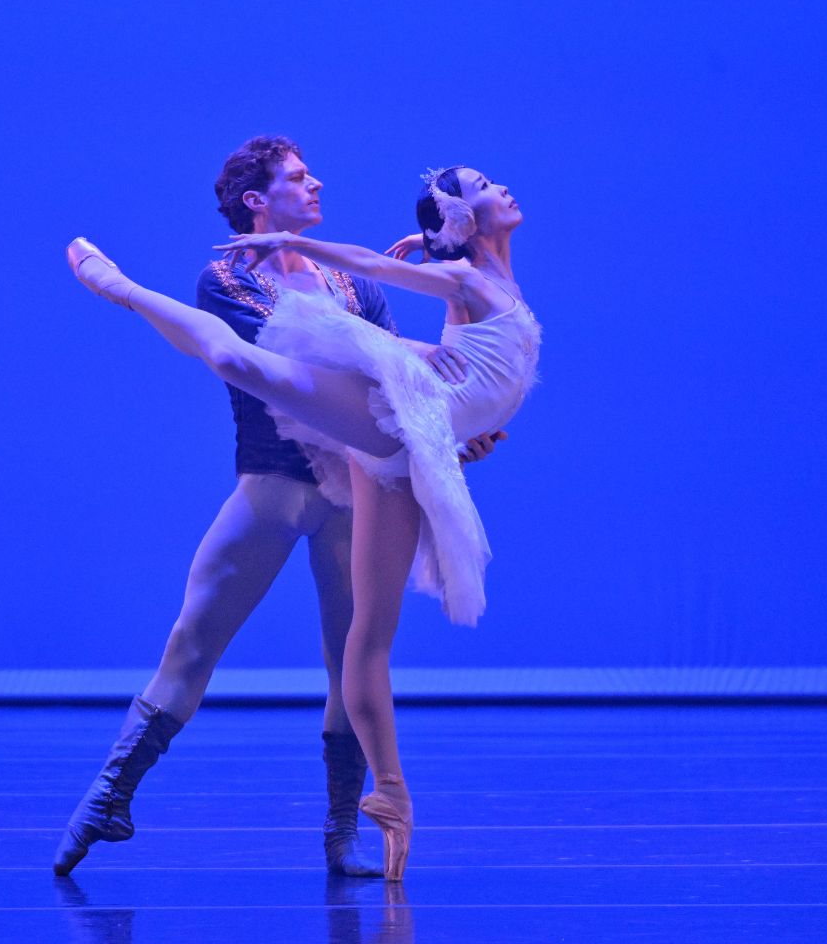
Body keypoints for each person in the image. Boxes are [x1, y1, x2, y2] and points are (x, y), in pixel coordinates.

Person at [66, 164, 539, 879]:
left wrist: (451, 426)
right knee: (195, 638)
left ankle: (349, 826)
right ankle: (110, 794)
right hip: (278, 484)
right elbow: (301, 357)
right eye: (296, 176)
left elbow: (410, 369)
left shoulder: (361, 291)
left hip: (357, 478)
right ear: (257, 200)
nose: (315, 183)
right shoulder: (230, 278)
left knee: (354, 648)